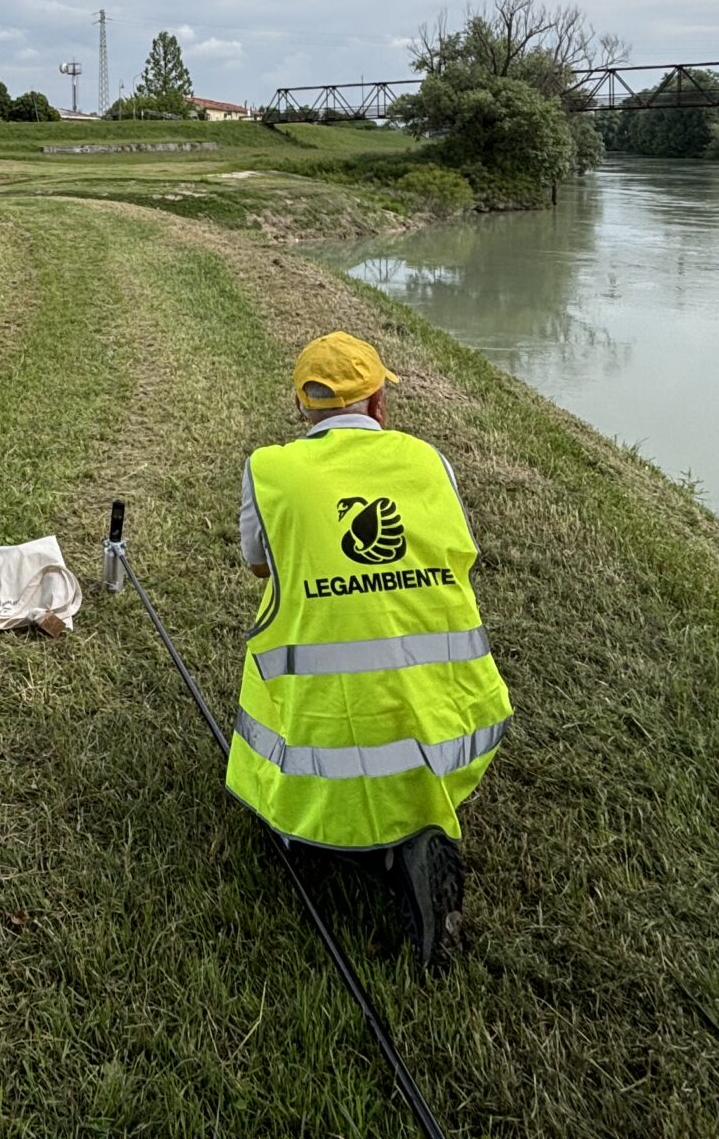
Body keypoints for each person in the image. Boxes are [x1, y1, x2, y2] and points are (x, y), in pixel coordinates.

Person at [227, 331, 512, 967]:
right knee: (405, 774)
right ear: (379, 403)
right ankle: (410, 836)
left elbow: (258, 566)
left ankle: (318, 837)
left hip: (320, 744)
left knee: (287, 659)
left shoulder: (269, 471)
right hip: (442, 729)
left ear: (302, 409)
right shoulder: (430, 462)